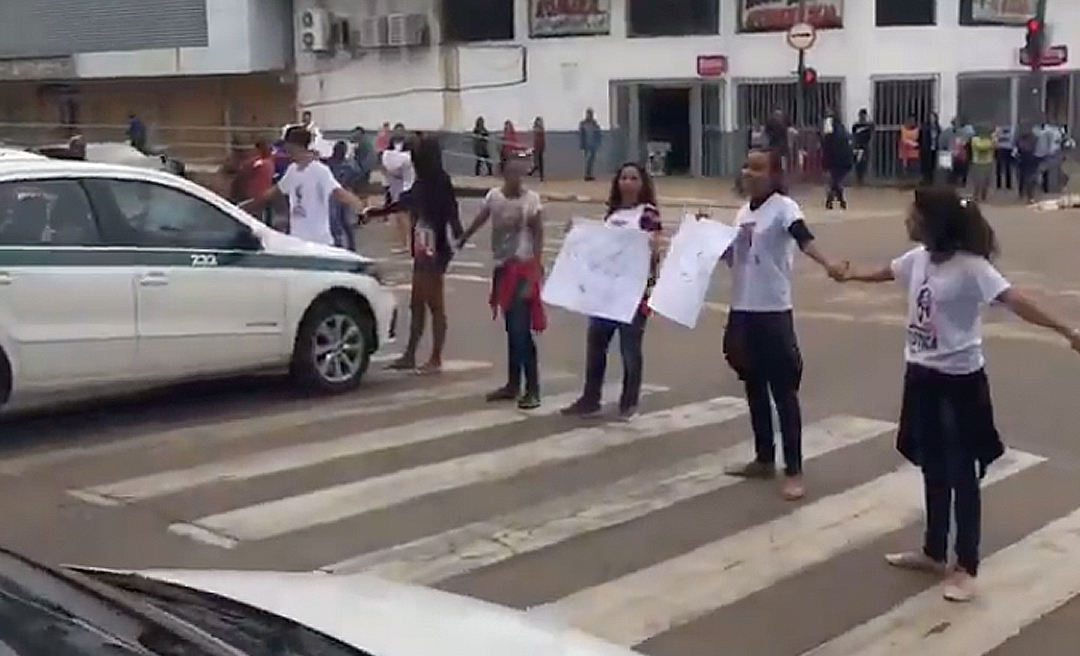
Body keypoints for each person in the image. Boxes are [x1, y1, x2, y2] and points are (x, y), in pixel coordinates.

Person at [837, 186, 1080, 602]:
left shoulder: (972, 268)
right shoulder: (918, 259)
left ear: (935, 224)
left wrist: (1068, 330)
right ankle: (934, 550)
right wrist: (850, 272)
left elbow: (1015, 299)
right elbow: (886, 272)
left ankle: (965, 564)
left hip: (959, 382)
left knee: (963, 473)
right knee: (932, 465)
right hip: (921, 376)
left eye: (913, 215)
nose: (907, 221)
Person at [721, 149, 848, 501]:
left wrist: (829, 264)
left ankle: (793, 470)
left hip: (772, 311)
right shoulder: (743, 212)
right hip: (742, 309)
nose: (750, 172)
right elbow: (738, 259)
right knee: (752, 384)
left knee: (783, 392)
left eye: (759, 167)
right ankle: (764, 458)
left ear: (775, 174)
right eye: (747, 166)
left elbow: (803, 237)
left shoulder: (784, 207)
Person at [560, 162, 664, 421]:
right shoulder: (613, 215)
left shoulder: (647, 213)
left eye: (633, 178)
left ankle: (629, 403)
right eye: (624, 178)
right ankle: (590, 398)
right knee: (596, 344)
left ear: (642, 184)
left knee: (630, 349)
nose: (628, 183)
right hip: (606, 292)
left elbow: (653, 249)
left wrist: (649, 246)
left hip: (632, 293)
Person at [364, 135, 463, 374]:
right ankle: (410, 354)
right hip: (422, 248)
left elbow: (451, 214)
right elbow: (402, 203)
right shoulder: (422, 182)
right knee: (418, 303)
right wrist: (376, 212)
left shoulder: (438, 182)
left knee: (434, 304)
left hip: (434, 250)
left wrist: (456, 240)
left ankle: (435, 357)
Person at [457, 154, 546, 409]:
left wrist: (536, 271)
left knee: (521, 331)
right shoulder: (494, 196)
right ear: (503, 173)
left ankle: (533, 388)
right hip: (502, 268)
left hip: (523, 269)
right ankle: (512, 384)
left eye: (521, 173)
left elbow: (538, 234)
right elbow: (483, 216)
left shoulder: (531, 201)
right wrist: (464, 236)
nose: (517, 178)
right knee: (511, 329)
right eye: (512, 172)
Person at [246, 126, 367, 245]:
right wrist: (244, 208)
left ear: (293, 145)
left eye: (286, 145)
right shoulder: (292, 170)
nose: (285, 149)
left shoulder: (319, 170)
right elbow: (274, 192)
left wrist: (359, 206)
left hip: (318, 242)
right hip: (298, 241)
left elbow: (338, 192)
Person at [381, 130, 416, 254]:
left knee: (402, 218)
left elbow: (390, 169)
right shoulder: (409, 156)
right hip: (404, 188)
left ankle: (406, 244)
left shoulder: (402, 157)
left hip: (403, 189)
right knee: (404, 218)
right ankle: (407, 243)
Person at [326, 141, 359, 251]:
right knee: (344, 221)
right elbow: (357, 172)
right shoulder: (348, 164)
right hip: (344, 191)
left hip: (333, 194)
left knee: (335, 221)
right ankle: (350, 246)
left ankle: (339, 244)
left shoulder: (330, 163)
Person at [821, 110, 854, 209]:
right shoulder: (842, 129)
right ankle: (839, 201)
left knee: (835, 181)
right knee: (836, 180)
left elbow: (827, 147)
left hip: (837, 160)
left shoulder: (831, 132)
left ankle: (832, 200)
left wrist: (825, 163)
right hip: (844, 159)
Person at [968, 126, 995, 202]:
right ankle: (976, 195)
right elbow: (981, 147)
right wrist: (992, 142)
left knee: (986, 181)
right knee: (977, 181)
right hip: (977, 162)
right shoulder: (975, 140)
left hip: (988, 162)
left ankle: (983, 195)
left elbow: (993, 146)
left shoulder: (989, 140)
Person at [851, 108, 875, 186]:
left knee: (864, 163)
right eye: (861, 115)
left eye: (864, 115)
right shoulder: (856, 125)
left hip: (865, 146)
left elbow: (872, 132)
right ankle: (858, 179)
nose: (862, 117)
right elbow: (854, 136)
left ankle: (862, 179)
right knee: (858, 163)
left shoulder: (869, 125)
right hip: (858, 146)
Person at [579, 109, 602, 180]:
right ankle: (587, 174)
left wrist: (598, 142)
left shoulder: (594, 124)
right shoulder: (583, 124)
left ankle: (590, 173)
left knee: (592, 160)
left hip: (593, 144)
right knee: (587, 159)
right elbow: (581, 135)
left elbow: (598, 133)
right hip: (586, 144)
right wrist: (582, 144)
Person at [529, 116, 546, 181]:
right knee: (537, 160)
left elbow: (542, 140)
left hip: (540, 147)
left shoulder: (539, 130)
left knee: (539, 161)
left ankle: (539, 174)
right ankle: (536, 172)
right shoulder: (538, 130)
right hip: (537, 146)